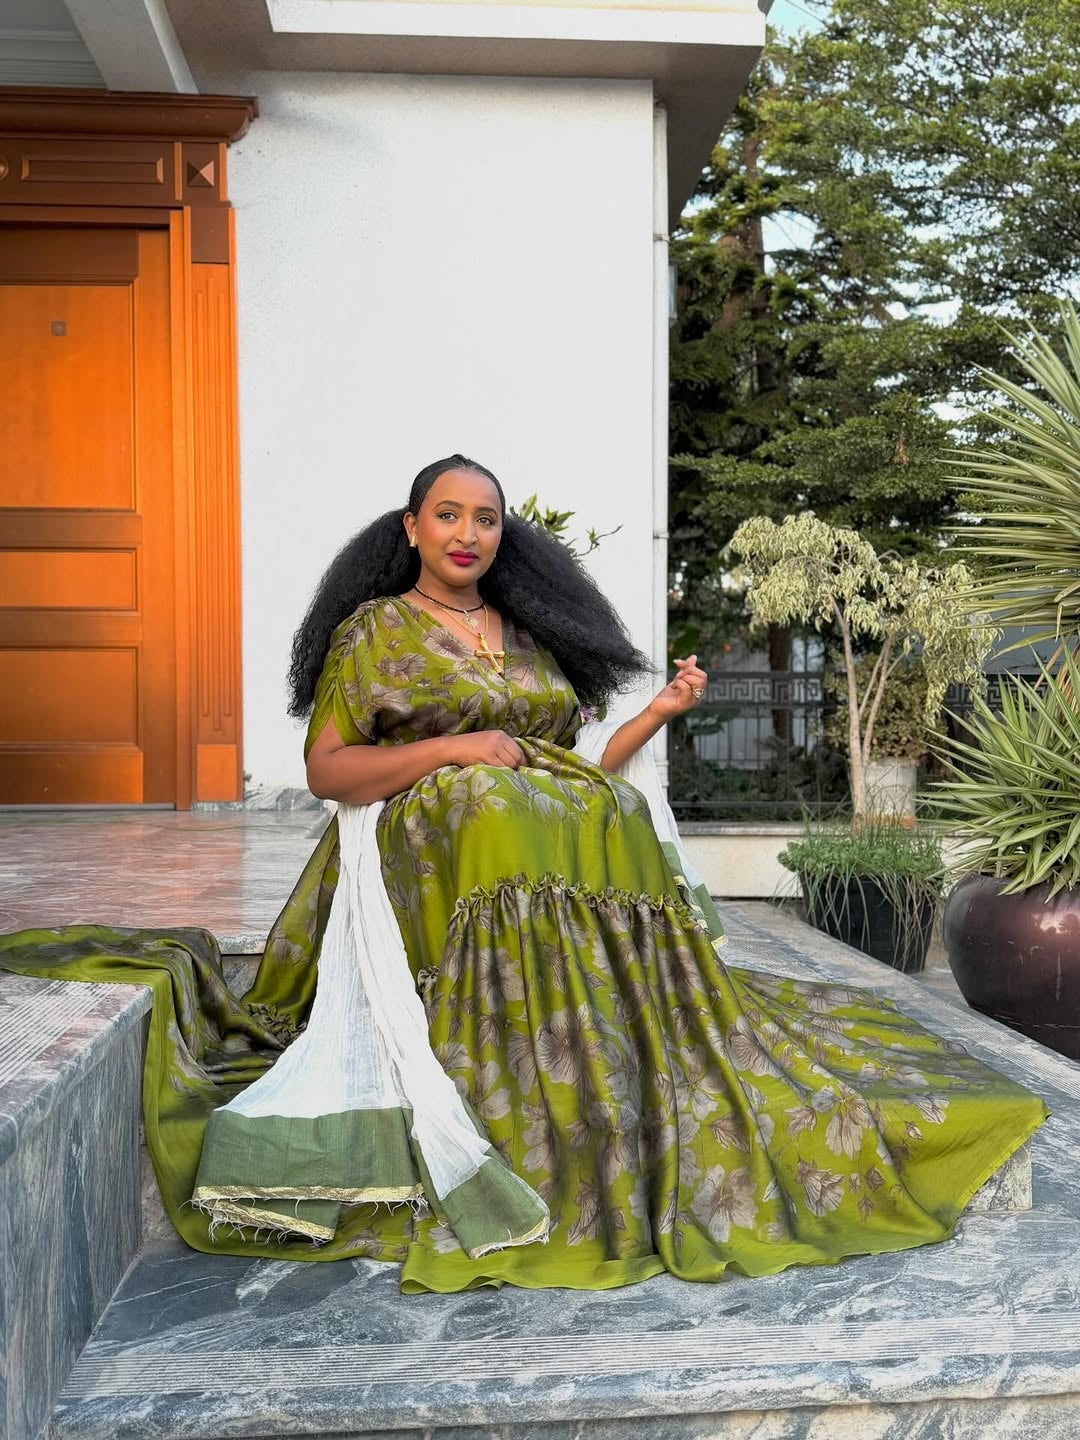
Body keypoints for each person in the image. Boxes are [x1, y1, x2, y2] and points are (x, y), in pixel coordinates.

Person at [0, 454, 1047, 1295]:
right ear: (410, 528)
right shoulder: (373, 634)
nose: (467, 533)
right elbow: (330, 770)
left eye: (486, 518)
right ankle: (508, 1043)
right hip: (417, 835)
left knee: (604, 805)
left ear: (505, 534)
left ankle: (606, 1024)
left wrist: (655, 717)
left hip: (520, 829)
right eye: (448, 514)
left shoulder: (533, 640)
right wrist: (452, 752)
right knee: (494, 803)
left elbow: (574, 772)